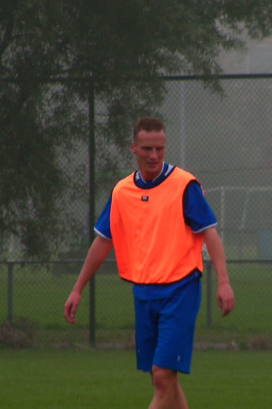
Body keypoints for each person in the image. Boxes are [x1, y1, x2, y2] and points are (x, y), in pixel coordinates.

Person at [64, 116, 235, 409]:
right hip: (144, 293)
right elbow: (103, 241)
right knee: (164, 380)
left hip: (180, 290)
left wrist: (224, 281)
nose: (154, 155)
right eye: (146, 149)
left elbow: (209, 233)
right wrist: (78, 288)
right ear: (133, 148)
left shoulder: (184, 185)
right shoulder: (122, 192)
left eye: (160, 148)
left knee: (162, 377)